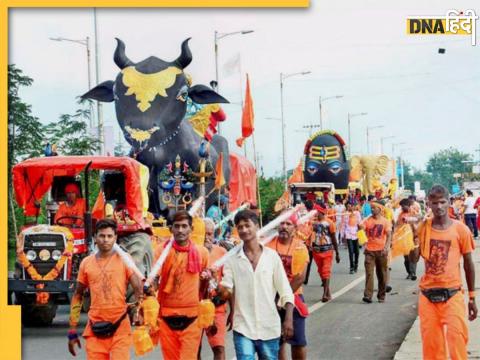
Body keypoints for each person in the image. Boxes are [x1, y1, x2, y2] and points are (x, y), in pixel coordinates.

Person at [411, 184, 477, 360]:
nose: (438, 207)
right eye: (434, 202)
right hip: (427, 297)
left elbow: (469, 264)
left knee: (457, 341)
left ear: (449, 202)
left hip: (453, 294)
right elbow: (414, 259)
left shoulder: (460, 229)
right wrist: (416, 233)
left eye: (442, 202)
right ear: (428, 204)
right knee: (432, 347)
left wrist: (472, 297)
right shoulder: (424, 228)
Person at [218, 209, 295, 360]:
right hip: (243, 327)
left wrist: (288, 320)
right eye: (240, 227)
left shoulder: (272, 257)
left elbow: (285, 291)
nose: (244, 230)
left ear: (257, 226)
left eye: (247, 225)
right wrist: (218, 288)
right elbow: (226, 290)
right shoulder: (232, 259)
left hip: (269, 327)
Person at [67, 219, 143, 359]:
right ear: (95, 237)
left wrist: (140, 311)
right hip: (95, 328)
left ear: (115, 238)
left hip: (120, 327)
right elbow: (78, 295)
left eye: (109, 236)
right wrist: (72, 331)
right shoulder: (86, 263)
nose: (105, 240)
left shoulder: (124, 259)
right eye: (102, 236)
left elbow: (138, 288)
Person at [154, 210, 210, 360]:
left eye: (184, 226)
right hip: (166, 316)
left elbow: (208, 286)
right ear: (171, 229)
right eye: (177, 226)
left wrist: (208, 278)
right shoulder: (161, 251)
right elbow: (154, 278)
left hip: (192, 317)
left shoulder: (202, 253)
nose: (180, 230)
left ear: (191, 229)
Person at [266, 211, 309, 360]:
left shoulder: (300, 248)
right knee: (276, 342)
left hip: (293, 296)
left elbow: (299, 278)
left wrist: (282, 299)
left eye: (288, 224)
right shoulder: (267, 245)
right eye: (282, 223)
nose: (284, 227)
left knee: (298, 341)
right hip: (270, 298)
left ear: (295, 228)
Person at [202, 218, 231, 360]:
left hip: (217, 307)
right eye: (203, 234)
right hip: (195, 307)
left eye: (210, 234)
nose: (207, 238)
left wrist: (233, 310)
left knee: (219, 347)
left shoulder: (222, 252)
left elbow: (229, 283)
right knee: (195, 349)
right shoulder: (192, 252)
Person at [359, 201, 392, 303]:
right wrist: (360, 227)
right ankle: (368, 296)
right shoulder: (367, 220)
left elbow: (389, 235)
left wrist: (386, 247)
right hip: (369, 251)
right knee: (369, 273)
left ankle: (381, 296)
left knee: (381, 274)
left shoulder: (385, 221)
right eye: (371, 208)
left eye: (374, 208)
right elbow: (361, 230)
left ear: (380, 209)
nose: (372, 210)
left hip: (381, 251)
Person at [309, 204, 340, 302]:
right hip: (316, 251)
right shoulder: (312, 223)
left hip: (328, 250)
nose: (314, 213)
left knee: (326, 271)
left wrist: (337, 253)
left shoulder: (330, 223)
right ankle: (328, 292)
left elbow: (334, 238)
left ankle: (324, 295)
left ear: (321, 212)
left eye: (316, 211)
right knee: (321, 272)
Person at [396, 198, 417, 280]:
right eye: (401, 206)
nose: (402, 208)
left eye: (403, 206)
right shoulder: (400, 215)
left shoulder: (413, 213)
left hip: (413, 237)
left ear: (408, 206)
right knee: (406, 257)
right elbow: (398, 226)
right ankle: (409, 272)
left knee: (413, 256)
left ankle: (413, 273)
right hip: (403, 239)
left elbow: (417, 225)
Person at [341, 203, 362, 274]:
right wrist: (342, 235)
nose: (350, 208)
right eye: (348, 206)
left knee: (357, 252)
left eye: (351, 206)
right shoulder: (345, 215)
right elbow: (343, 225)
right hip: (348, 234)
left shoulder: (357, 213)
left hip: (356, 234)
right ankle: (351, 267)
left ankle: (356, 264)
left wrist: (361, 227)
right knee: (350, 251)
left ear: (354, 206)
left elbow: (360, 223)